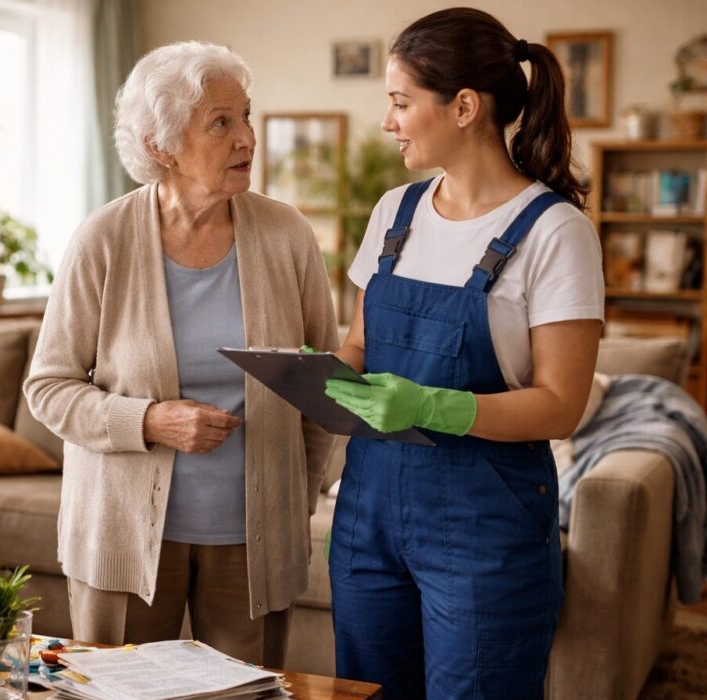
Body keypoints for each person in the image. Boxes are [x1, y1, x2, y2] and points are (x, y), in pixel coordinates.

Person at [23, 41, 337, 667]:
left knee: (245, 689)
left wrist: (297, 500)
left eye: (246, 115)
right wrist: (149, 420)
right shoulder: (103, 238)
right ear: (159, 145)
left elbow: (322, 387)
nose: (247, 137)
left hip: (253, 540)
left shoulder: (287, 235)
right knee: (120, 684)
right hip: (123, 535)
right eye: (222, 122)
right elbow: (49, 387)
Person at [320, 8, 604, 698]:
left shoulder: (555, 233)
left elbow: (561, 405)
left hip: (486, 523)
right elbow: (359, 343)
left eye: (400, 101)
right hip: (368, 513)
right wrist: (316, 376)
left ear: (466, 107)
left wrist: (429, 406)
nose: (388, 122)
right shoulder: (396, 211)